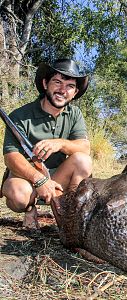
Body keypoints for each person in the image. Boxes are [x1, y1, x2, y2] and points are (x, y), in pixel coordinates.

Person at [1, 58, 93, 230]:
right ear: (45, 84)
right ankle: (30, 209)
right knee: (17, 195)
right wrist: (39, 180)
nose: (62, 90)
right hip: (27, 179)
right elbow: (10, 157)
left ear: (75, 92)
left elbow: (84, 147)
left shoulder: (75, 114)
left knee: (83, 160)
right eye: (57, 82)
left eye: (69, 86)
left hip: (58, 178)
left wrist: (60, 144)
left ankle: (68, 213)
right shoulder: (20, 115)